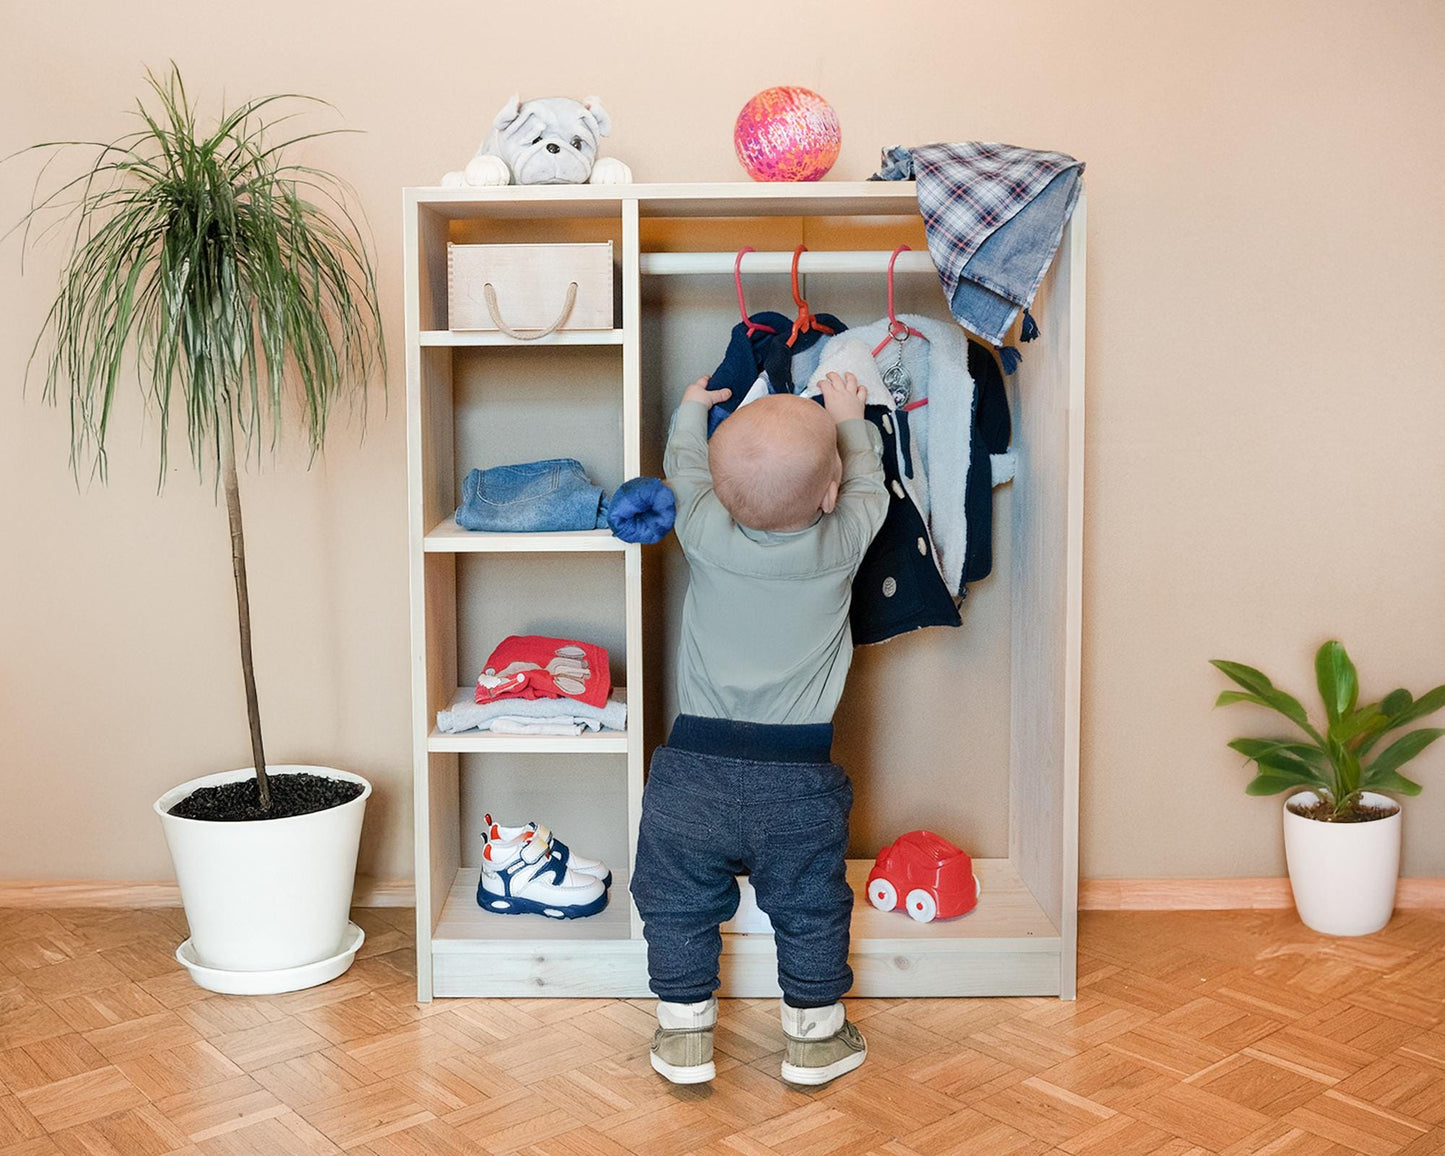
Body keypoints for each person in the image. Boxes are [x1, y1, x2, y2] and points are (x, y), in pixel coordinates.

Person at [630, 371, 888, 1087]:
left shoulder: (702, 529)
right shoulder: (841, 542)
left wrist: (688, 411)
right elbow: (872, 491)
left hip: (690, 773)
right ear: (828, 495)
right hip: (797, 782)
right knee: (810, 907)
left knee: (675, 904)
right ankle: (813, 1041)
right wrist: (850, 422)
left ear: (717, 495)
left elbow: (683, 470)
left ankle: (683, 1036)